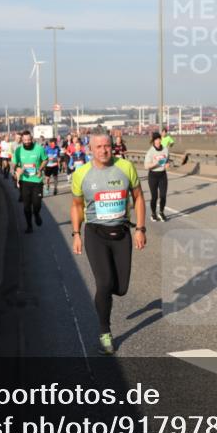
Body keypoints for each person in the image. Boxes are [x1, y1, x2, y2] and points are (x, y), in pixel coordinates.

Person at [70, 128, 147, 355]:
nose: (104, 150)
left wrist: (140, 229)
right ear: (90, 149)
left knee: (120, 288)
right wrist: (76, 233)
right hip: (95, 233)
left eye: (107, 146)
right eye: (99, 147)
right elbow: (76, 205)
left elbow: (139, 198)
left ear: (112, 146)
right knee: (104, 284)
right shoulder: (81, 174)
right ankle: (105, 331)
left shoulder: (125, 167)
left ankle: (107, 297)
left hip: (121, 233)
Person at [11, 130, 48, 233]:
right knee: (26, 206)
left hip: (37, 181)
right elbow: (13, 164)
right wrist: (16, 169)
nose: (27, 142)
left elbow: (45, 160)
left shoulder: (39, 149)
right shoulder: (18, 150)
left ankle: (36, 214)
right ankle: (29, 226)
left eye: (28, 139)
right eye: (25, 140)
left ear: (32, 139)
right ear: (22, 140)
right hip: (24, 181)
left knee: (37, 204)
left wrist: (40, 169)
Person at [144, 131, 170, 222]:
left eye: (159, 139)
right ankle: (153, 214)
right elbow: (146, 166)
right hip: (153, 175)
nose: (158, 141)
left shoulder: (165, 150)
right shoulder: (150, 152)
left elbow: (167, 160)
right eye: (156, 140)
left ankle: (161, 212)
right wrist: (156, 163)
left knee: (163, 195)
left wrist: (167, 164)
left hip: (162, 175)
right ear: (153, 141)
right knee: (154, 197)